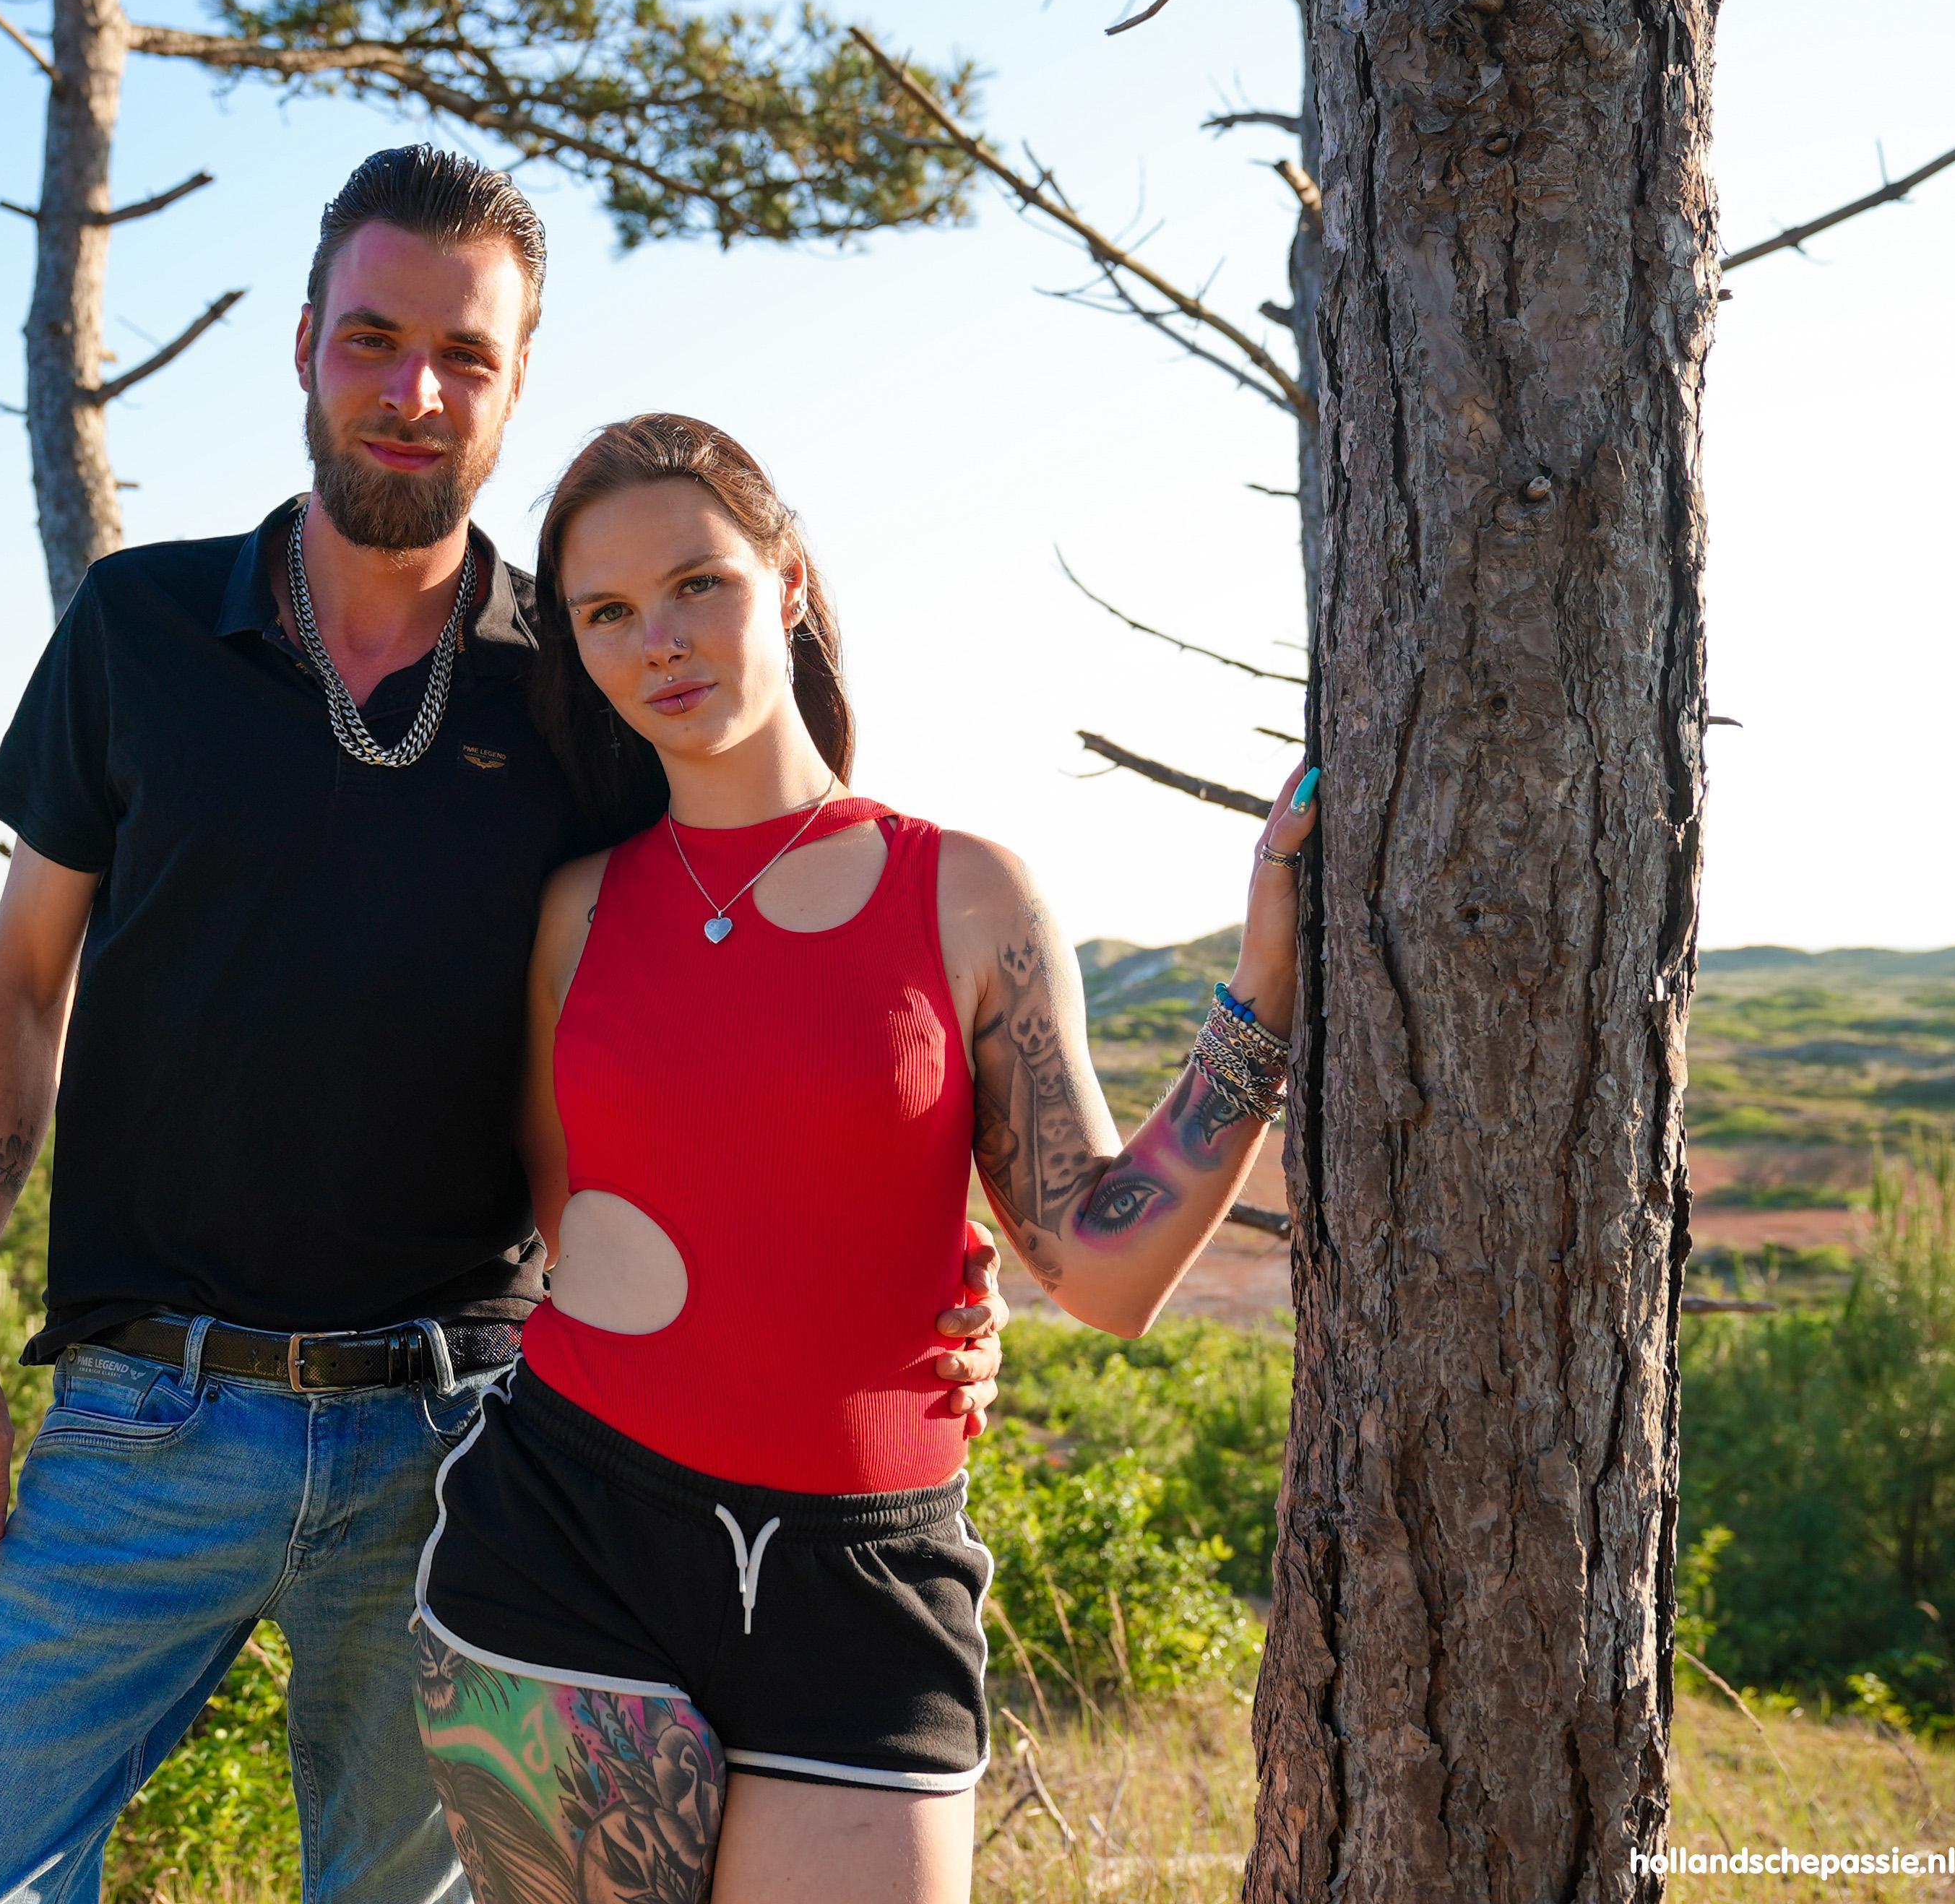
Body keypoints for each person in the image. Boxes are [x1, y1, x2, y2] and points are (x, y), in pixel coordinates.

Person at [0, 154, 1011, 1904]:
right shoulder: (140, 629)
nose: (413, 391)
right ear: (304, 348)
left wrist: (924, 1267)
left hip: (465, 1441)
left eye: (462, 355)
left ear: (515, 379)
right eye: (372, 340)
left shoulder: (585, 671)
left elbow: (752, 972)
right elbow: (23, 982)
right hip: (142, 1421)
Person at [410, 414, 1319, 1904]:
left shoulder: (966, 893)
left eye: (696, 584)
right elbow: (570, 1228)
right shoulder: (572, 912)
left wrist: (1262, 994)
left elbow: (1104, 1269)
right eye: (607, 613)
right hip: (565, 1547)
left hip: (867, 1582)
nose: (658, 641)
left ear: (787, 582)